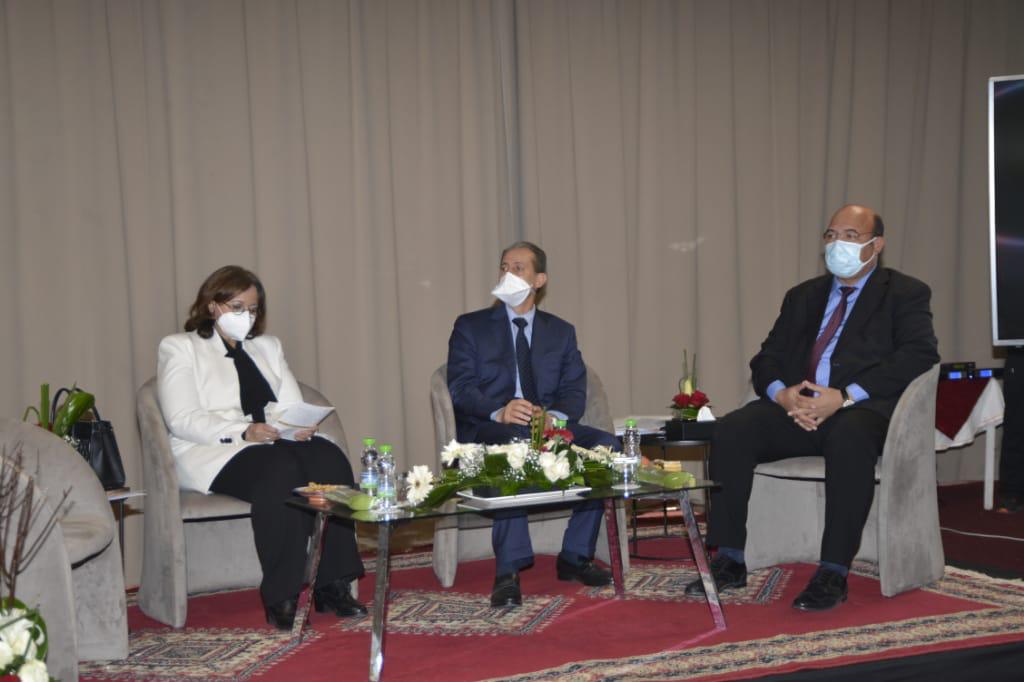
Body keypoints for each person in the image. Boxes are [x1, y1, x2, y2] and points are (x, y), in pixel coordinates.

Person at [686, 205, 939, 611]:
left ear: (877, 245)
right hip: (797, 408)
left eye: (851, 236)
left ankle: (832, 572)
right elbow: (766, 358)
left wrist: (845, 396)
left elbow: (918, 355)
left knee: (850, 437)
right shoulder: (803, 296)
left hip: (859, 411)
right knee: (732, 430)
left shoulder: (905, 293)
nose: (838, 244)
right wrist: (782, 395)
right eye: (831, 235)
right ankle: (729, 558)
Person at [157, 265, 366, 629]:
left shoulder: (268, 347)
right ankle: (282, 594)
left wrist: (297, 426)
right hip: (215, 449)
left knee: (330, 459)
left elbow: (289, 404)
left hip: (273, 441)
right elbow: (182, 418)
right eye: (237, 307)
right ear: (212, 305)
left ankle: (332, 583)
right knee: (280, 471)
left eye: (252, 309)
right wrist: (243, 432)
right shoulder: (180, 347)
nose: (246, 317)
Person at [446, 241, 620, 607]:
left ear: (539, 280)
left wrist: (552, 417)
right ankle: (508, 571)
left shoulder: (561, 332)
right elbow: (460, 388)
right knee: (511, 445)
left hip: (547, 427)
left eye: (518, 268)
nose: (508, 273)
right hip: (491, 429)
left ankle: (575, 556)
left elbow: (575, 391)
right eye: (504, 266)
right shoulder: (471, 327)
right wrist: (499, 411)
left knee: (607, 446)